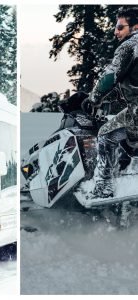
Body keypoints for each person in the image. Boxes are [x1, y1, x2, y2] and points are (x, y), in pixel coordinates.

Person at [87, 7, 138, 199]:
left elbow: (110, 76)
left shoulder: (130, 46)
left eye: (120, 27)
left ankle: (104, 186)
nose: (115, 32)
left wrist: (94, 98)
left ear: (135, 27)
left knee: (106, 134)